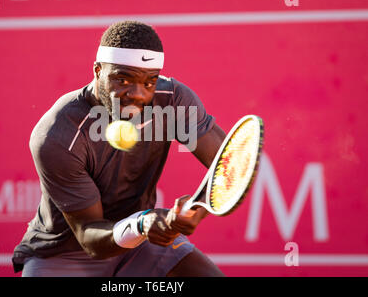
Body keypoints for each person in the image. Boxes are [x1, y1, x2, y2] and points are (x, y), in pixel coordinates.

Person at [12, 20, 227, 277]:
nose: (137, 94)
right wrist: (141, 224)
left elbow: (231, 164)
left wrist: (196, 208)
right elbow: (90, 236)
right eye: (122, 79)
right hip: (64, 255)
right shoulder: (58, 134)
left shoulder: (173, 101)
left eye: (149, 82)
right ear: (97, 71)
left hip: (142, 244)